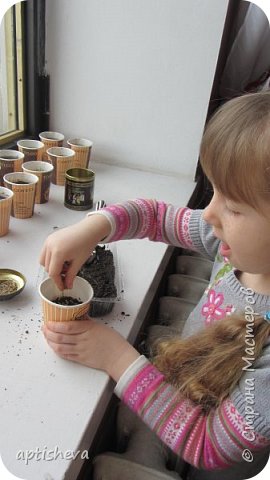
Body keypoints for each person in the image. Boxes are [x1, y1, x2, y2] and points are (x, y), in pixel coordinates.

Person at [40, 91, 270, 479]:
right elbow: (153, 215)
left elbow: (208, 445)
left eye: (233, 206)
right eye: (214, 191)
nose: (209, 213)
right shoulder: (230, 244)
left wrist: (116, 358)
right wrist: (92, 228)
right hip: (190, 395)